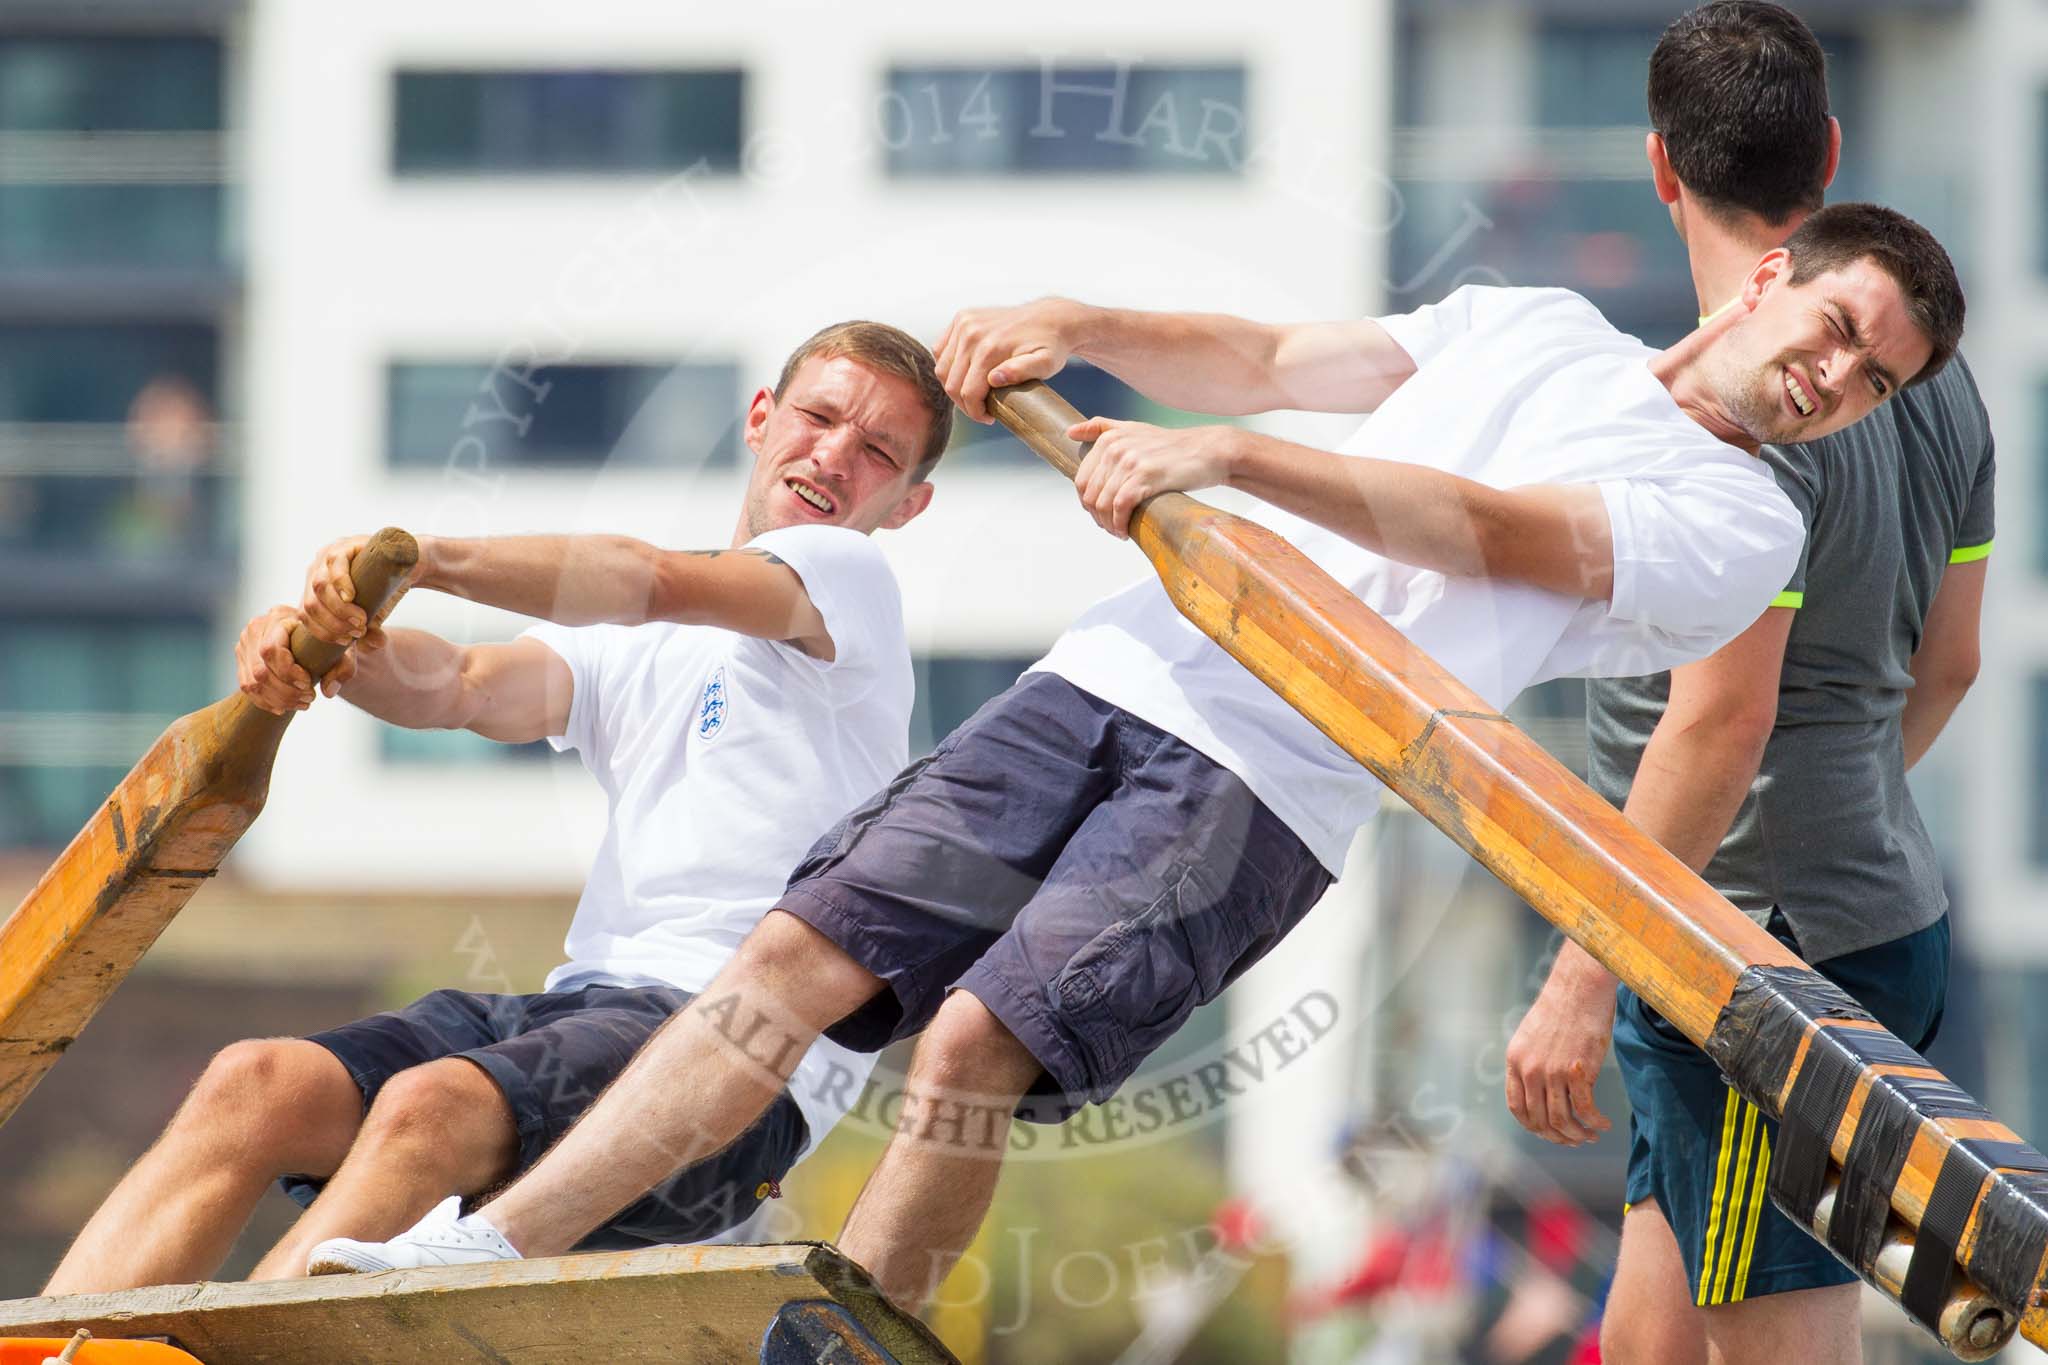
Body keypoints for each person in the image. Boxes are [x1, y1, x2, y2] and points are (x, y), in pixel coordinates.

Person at [324, 202, 1965, 1318]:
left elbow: (1494, 531)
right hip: (1104, 677)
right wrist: (1082, 325)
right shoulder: (1530, 324)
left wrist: (1236, 465)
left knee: (968, 1051)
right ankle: (476, 1258)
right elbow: (1272, 361)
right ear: (1766, 281)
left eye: (1871, 377)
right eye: (1835, 327)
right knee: (789, 958)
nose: (1834, 380)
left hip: (1267, 782)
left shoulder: (1745, 522)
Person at [41, 320, 951, 1294]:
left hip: (734, 1078)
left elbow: (650, 580)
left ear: (907, 503)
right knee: (255, 1085)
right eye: (817, 419)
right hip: (590, 1011)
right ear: (761, 417)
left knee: (427, 1108)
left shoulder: (847, 583)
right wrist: (338, 644)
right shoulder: (646, 649)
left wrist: (427, 558)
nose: (833, 457)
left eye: (875, 452)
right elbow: (462, 684)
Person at [1500, 9, 1993, 1365]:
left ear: (1659, 168)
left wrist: (1579, 981)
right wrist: (1839, 813)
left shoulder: (1750, 409)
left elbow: (1721, 714)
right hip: (1863, 910)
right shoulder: (1938, 390)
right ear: (1830, 152)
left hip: (1756, 950)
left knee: (1783, 1342)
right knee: (1657, 1340)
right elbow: (1945, 664)